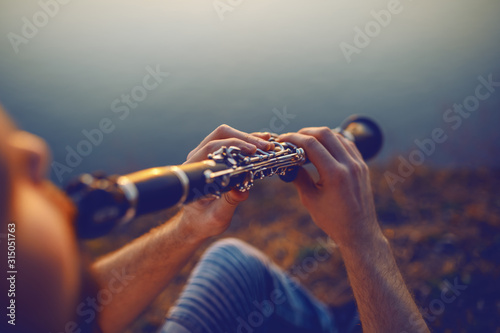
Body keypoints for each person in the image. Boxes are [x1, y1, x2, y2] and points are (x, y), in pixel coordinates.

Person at [0, 105, 429, 333]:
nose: (32, 151)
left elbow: (77, 316)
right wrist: (362, 239)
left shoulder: (19, 306)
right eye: (10, 186)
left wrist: (191, 226)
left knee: (231, 262)